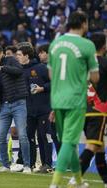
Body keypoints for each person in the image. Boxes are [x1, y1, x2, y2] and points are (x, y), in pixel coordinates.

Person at [48, 11, 99, 188]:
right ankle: (55, 184)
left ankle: (78, 181)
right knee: (70, 142)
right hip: (75, 99)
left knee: (67, 142)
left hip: (57, 99)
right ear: (84, 24)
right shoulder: (87, 45)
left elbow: (50, 73)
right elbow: (95, 78)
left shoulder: (55, 43)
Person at [68, 32, 107, 187]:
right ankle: (76, 178)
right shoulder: (103, 63)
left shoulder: (83, 63)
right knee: (92, 145)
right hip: (99, 109)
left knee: (99, 147)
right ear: (104, 46)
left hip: (81, 108)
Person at [0, 44, 31, 173]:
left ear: (2, 53)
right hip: (4, 106)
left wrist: (1, 68)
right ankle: (6, 165)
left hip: (18, 103)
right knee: (0, 137)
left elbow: (19, 71)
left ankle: (27, 166)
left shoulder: (11, 60)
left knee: (22, 135)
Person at [16, 42, 53, 173]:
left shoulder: (41, 68)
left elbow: (54, 82)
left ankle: (47, 164)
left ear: (27, 56)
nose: (17, 57)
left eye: (19, 55)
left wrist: (43, 88)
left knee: (44, 137)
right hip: (28, 110)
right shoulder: (19, 70)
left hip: (44, 109)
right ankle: (29, 164)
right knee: (28, 137)